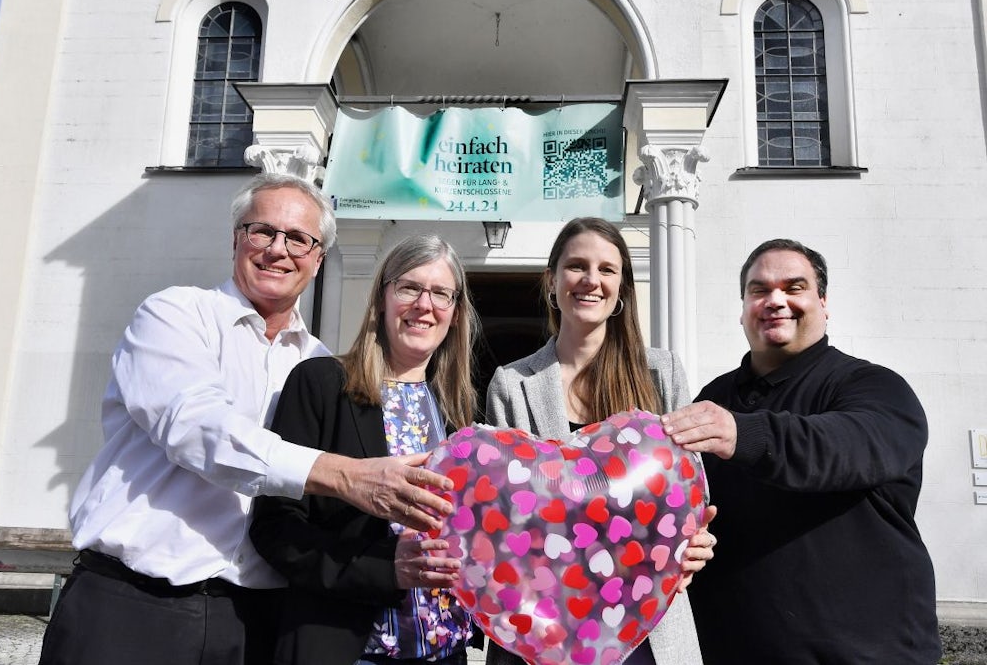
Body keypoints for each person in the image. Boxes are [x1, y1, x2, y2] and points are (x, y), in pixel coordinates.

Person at [38, 174, 455, 665]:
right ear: (237, 237)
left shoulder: (319, 367)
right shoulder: (177, 315)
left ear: (318, 260)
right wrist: (346, 476)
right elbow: (195, 428)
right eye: (263, 231)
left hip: (252, 618)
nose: (279, 250)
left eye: (299, 239)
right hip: (135, 604)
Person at [661, 238, 941, 664]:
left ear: (823, 303)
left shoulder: (875, 388)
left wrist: (744, 434)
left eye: (794, 288)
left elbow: (848, 447)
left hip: (867, 653)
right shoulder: (714, 398)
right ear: (742, 309)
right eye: (759, 290)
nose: (775, 300)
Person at [482, 217, 715, 665]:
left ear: (622, 288)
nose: (592, 280)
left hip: (649, 625)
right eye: (577, 266)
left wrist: (696, 538)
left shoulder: (659, 374)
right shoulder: (512, 384)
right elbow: (505, 518)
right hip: (548, 624)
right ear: (552, 280)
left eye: (607, 269)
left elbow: (690, 490)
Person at [250, 234, 482, 665]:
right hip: (349, 648)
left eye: (440, 294)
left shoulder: (459, 412)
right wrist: (382, 568)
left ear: (455, 313)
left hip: (443, 651)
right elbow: (274, 528)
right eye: (409, 287)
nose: (423, 304)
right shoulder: (321, 384)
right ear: (382, 298)